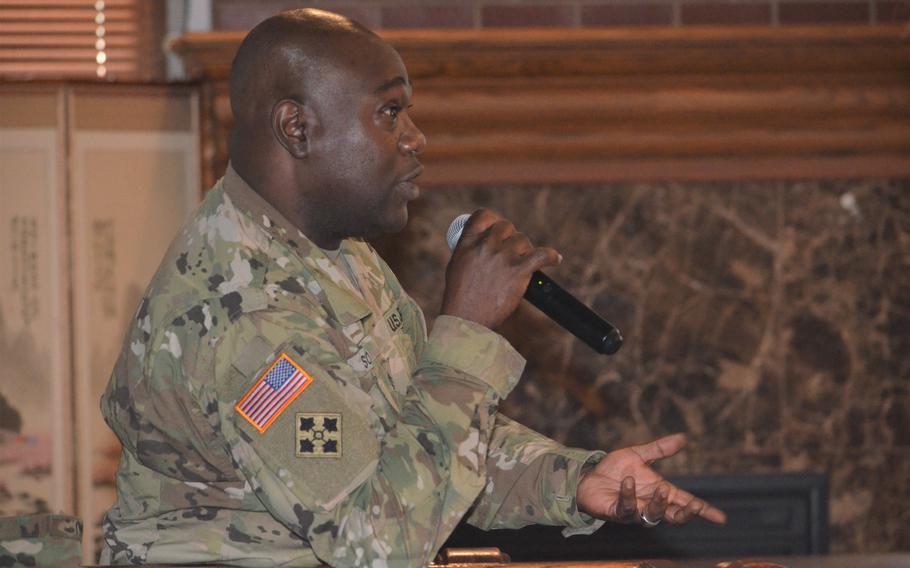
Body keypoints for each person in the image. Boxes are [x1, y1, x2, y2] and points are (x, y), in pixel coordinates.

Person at [99, 8, 725, 567]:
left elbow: (420, 437)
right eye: (389, 111)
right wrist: (468, 332)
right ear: (297, 127)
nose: (415, 138)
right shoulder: (242, 314)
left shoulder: (337, 253)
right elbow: (378, 544)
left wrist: (575, 481)